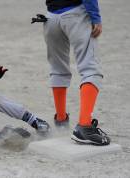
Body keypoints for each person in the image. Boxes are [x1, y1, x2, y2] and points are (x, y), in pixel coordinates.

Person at [43, 0, 110, 145]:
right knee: (91, 70)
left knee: (58, 69)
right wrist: (95, 17)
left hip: (50, 17)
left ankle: (61, 120)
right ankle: (85, 127)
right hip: (75, 14)